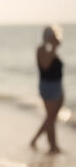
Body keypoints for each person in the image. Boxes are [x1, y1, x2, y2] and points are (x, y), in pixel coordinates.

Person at [31, 25, 64, 153]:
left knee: (51, 119)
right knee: (50, 118)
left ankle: (52, 145)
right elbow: (45, 66)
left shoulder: (52, 50)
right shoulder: (41, 49)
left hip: (57, 86)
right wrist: (54, 47)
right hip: (48, 88)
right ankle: (36, 140)